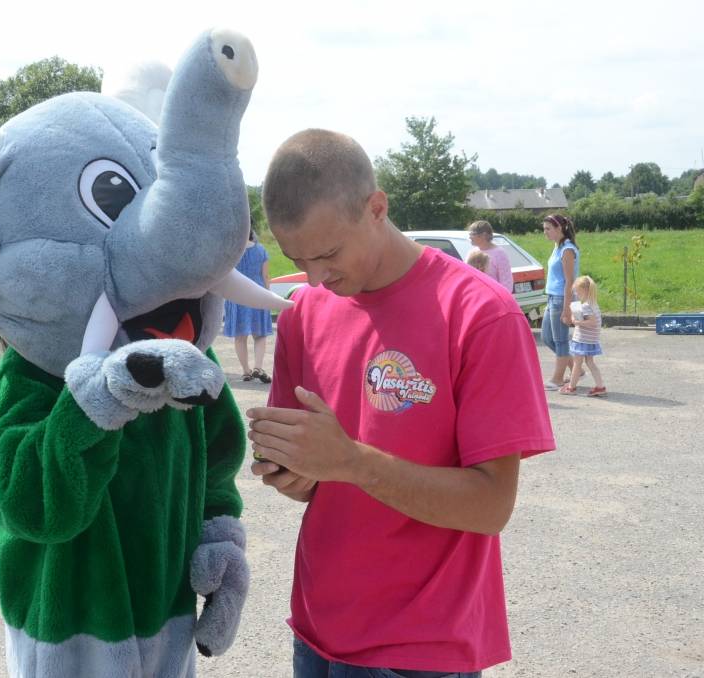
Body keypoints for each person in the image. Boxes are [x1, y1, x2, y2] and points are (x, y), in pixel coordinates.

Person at [249, 129, 556, 678]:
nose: (316, 277)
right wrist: (292, 470)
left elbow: (491, 507)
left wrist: (349, 461)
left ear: (376, 207)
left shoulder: (480, 314)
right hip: (316, 629)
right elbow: (315, 480)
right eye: (298, 258)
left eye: (328, 253)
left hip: (422, 649)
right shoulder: (304, 314)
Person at [223, 230, 274, 383]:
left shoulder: (231, 251)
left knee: (240, 337)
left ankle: (246, 371)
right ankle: (258, 367)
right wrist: (268, 296)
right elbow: (265, 276)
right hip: (257, 294)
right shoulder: (261, 250)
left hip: (237, 295)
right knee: (260, 335)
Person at [540, 214, 580, 389]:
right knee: (547, 338)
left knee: (560, 340)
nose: (545, 233)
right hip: (552, 297)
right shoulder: (558, 247)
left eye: (548, 229)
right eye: (544, 229)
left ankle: (557, 379)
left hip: (561, 299)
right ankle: (577, 369)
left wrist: (566, 309)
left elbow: (569, 281)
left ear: (560, 229)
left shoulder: (567, 250)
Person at [560, 275, 606, 397]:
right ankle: (600, 386)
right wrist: (577, 317)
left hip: (583, 339)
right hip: (591, 339)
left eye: (577, 291)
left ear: (584, 290)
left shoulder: (586, 306)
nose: (576, 294)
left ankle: (571, 387)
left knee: (577, 363)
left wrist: (577, 322)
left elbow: (592, 322)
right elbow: (592, 320)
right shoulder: (593, 304)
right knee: (590, 362)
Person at [466, 220, 512, 291]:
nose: (470, 237)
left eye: (472, 234)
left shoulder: (499, 254)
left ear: (484, 235)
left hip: (494, 298)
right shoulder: (472, 253)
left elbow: (506, 283)